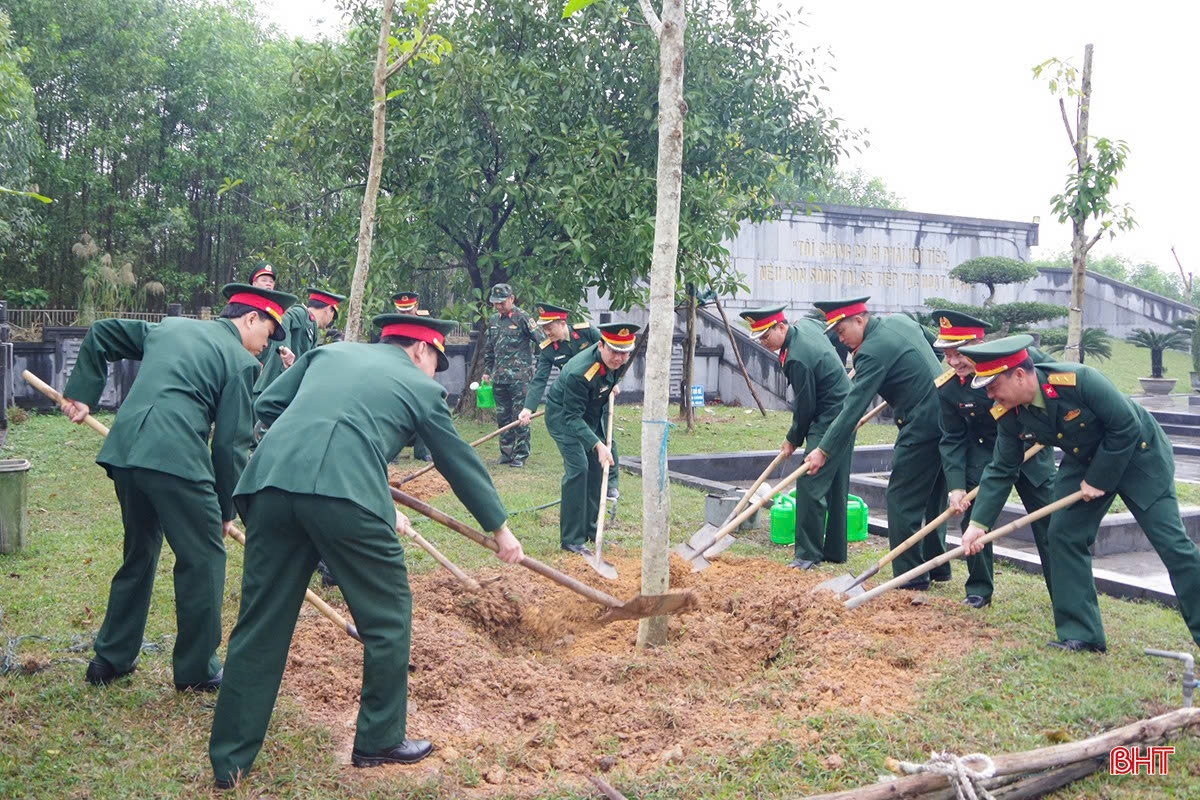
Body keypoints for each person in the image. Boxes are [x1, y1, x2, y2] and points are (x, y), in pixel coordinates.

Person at [209, 312, 525, 789]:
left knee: (260, 622)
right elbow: (455, 458)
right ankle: (378, 739)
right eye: (435, 361)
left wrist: (330, 449)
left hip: (269, 485)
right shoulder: (422, 389)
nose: (433, 372)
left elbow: (269, 404)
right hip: (345, 497)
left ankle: (229, 761)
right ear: (422, 348)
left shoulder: (329, 352)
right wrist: (500, 528)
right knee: (388, 616)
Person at [59, 283, 296, 690]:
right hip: (176, 459)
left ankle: (110, 659)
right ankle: (197, 670)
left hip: (126, 453)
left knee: (139, 553)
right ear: (250, 318)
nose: (267, 345)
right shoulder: (239, 361)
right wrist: (226, 509)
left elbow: (100, 332)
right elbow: (230, 444)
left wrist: (82, 394)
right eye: (268, 334)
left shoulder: (170, 328)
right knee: (203, 562)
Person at [960, 335, 1200, 653]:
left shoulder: (1078, 380)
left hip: (1141, 458)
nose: (990, 394)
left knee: (1172, 545)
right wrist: (979, 523)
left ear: (1019, 375)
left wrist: (1099, 478)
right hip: (1084, 459)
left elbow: (1126, 426)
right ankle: (1082, 634)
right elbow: (1002, 468)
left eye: (993, 385)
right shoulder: (1009, 412)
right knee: (1062, 535)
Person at [804, 296, 950, 588]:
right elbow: (939, 347)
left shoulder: (871, 352)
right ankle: (938, 568)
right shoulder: (900, 320)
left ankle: (912, 577)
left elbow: (852, 407)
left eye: (842, 330)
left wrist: (823, 450)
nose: (840, 338)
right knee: (934, 496)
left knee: (902, 499)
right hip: (948, 413)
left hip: (921, 424)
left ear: (859, 320)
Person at [930, 312, 1056, 609]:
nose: (953, 362)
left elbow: (1051, 393)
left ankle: (1062, 591)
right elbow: (952, 437)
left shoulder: (1016, 360)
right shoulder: (948, 387)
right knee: (974, 520)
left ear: (978, 343)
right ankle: (979, 589)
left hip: (1030, 448)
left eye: (959, 353)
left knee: (1050, 524)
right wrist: (956, 487)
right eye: (947, 354)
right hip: (986, 455)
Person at [740, 305, 851, 569]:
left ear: (781, 326)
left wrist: (793, 439)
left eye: (766, 336)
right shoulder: (807, 327)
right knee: (834, 482)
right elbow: (831, 334)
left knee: (811, 480)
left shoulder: (797, 358)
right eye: (759, 339)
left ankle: (807, 554)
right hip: (846, 410)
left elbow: (805, 406)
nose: (764, 343)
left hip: (829, 417)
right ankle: (834, 551)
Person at [545, 323, 638, 555]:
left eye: (625, 352)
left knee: (597, 469)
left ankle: (591, 530)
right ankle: (571, 539)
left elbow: (607, 378)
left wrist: (612, 385)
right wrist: (597, 444)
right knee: (579, 469)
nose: (619, 358)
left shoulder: (616, 361)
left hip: (590, 414)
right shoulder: (580, 372)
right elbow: (572, 417)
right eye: (615, 351)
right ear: (601, 345)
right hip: (564, 417)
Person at [517, 303, 618, 498]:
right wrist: (528, 408)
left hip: (599, 393)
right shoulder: (548, 349)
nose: (546, 332)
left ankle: (611, 482)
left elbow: (611, 352)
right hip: (577, 398)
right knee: (586, 438)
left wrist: (613, 382)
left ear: (562, 322)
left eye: (549, 327)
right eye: (544, 328)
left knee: (606, 434)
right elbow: (539, 379)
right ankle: (589, 484)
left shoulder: (587, 333)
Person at [481, 283, 543, 467]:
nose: (498, 306)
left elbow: (541, 341)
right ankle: (506, 452)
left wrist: (540, 367)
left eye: (502, 302)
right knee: (503, 416)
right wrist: (487, 370)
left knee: (520, 417)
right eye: (495, 303)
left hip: (519, 378)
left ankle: (521, 454)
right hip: (499, 378)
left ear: (511, 299)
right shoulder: (493, 320)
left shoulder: (523, 318)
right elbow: (489, 349)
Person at [253, 287, 345, 397]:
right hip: (272, 387)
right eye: (333, 316)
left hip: (284, 390)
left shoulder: (313, 327)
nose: (331, 320)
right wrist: (284, 348)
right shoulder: (302, 313)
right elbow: (283, 320)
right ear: (328, 309)